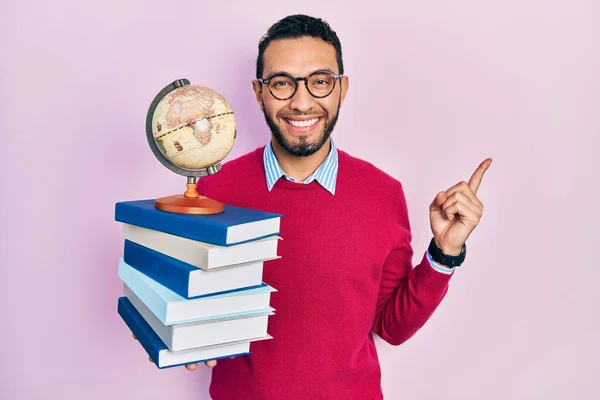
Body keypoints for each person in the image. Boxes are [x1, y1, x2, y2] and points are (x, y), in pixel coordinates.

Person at [138, 14, 491, 399]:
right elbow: (189, 301)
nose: (302, 102)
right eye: (282, 84)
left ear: (342, 89)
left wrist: (445, 252)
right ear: (259, 92)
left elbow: (392, 327)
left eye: (320, 82)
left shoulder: (384, 194)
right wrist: (182, 331)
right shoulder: (214, 189)